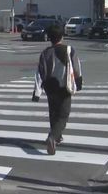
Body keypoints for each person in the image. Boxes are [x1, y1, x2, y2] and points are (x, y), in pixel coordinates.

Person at [32, 25, 83, 155]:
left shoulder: (45, 53)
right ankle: (53, 137)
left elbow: (39, 73)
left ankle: (57, 136)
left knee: (53, 112)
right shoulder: (69, 50)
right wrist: (79, 83)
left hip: (49, 86)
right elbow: (77, 68)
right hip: (64, 86)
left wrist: (37, 93)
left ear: (49, 38)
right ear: (62, 36)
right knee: (63, 115)